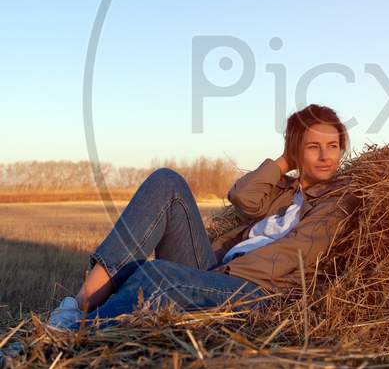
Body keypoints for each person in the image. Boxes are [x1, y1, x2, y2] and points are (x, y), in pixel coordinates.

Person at [46, 104, 359, 331]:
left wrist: (226, 274)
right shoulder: (286, 191)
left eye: (333, 146)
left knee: (156, 275)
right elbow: (242, 197)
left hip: (257, 290)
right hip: (217, 271)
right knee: (167, 182)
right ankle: (80, 303)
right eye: (313, 146)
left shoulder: (338, 197)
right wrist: (285, 160)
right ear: (297, 151)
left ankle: (77, 333)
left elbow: (303, 252)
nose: (325, 156)